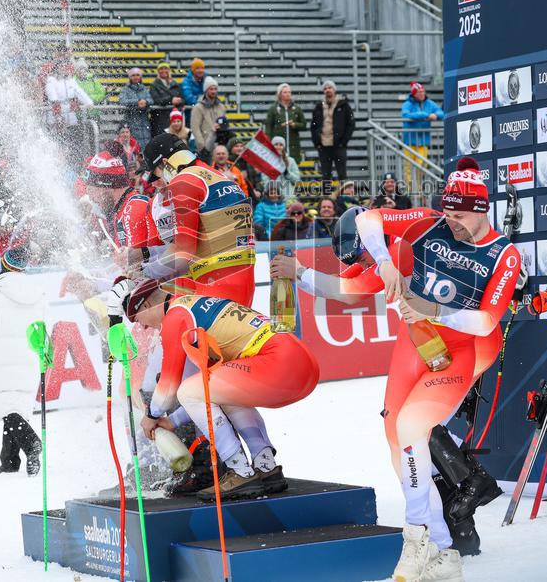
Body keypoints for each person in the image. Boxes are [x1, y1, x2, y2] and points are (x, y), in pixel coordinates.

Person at [359, 160, 518, 581]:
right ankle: (445, 547)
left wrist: (436, 310)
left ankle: (417, 538)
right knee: (398, 438)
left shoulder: (503, 253)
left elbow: (485, 320)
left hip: (463, 351)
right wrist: (385, 262)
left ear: (482, 209)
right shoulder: (432, 223)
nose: (452, 223)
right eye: (447, 214)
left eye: (460, 216)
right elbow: (367, 218)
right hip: (418, 344)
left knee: (415, 428)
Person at [110, 280, 319, 500]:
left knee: (186, 391)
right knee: (222, 391)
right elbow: (210, 393)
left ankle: (239, 470)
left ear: (145, 306)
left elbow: (169, 389)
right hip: (302, 362)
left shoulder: (174, 318)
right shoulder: (192, 303)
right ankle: (265, 466)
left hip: (280, 363)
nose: (143, 327)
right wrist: (172, 422)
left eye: (138, 319)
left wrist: (151, 416)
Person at [135, 134, 256, 307]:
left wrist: (145, 273)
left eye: (156, 172)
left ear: (165, 163)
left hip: (214, 284)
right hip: (243, 280)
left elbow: (183, 253)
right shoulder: (216, 175)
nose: (160, 180)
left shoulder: (184, 180)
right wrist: (150, 254)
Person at [0, 248, 47, 475]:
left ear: (4, 265)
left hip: (2, 356)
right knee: (17, 407)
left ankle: (31, 442)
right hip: (30, 354)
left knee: (6, 407)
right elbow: (45, 325)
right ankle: (9, 461)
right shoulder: (38, 291)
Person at [309, 80, 354, 189]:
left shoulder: (344, 106)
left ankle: (344, 198)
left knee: (342, 174)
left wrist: (343, 142)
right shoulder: (318, 107)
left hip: (338, 146)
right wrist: (317, 143)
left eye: (330, 88)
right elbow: (313, 126)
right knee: (325, 175)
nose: (328, 90)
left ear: (334, 90)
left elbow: (351, 124)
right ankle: (327, 198)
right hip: (324, 146)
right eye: (325, 88)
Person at [265, 83, 305, 163]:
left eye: (289, 92)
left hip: (293, 144)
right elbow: (268, 127)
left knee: (293, 167)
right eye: (285, 92)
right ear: (280, 94)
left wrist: (295, 125)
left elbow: (304, 125)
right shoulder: (273, 109)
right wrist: (269, 142)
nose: (288, 94)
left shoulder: (297, 108)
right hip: (278, 145)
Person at [190, 76, 225, 161]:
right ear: (206, 90)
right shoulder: (198, 107)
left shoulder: (221, 107)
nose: (213, 91)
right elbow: (195, 128)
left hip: (218, 146)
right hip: (205, 147)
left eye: (215, 89)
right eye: (211, 89)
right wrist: (202, 146)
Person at [258, 135, 301, 201]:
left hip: (288, 197)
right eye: (276, 144)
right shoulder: (267, 161)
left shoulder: (291, 161)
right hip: (273, 197)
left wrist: (287, 173)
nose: (278, 147)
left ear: (284, 147)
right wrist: (273, 192)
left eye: (281, 145)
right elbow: (265, 180)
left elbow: (296, 179)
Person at [119, 67, 153, 150]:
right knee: (134, 146)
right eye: (133, 75)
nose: (135, 77)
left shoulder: (144, 89)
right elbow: (122, 101)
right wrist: (137, 102)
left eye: (137, 75)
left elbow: (151, 100)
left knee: (146, 145)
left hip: (144, 122)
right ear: (130, 77)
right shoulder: (125, 90)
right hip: (131, 121)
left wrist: (146, 102)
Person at [149, 62, 183, 135]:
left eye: (166, 68)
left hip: (174, 119)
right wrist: (171, 100)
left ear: (169, 70)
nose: (163, 70)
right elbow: (156, 100)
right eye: (161, 69)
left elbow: (182, 99)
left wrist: (180, 101)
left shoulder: (175, 84)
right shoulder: (154, 85)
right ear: (158, 71)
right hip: (160, 120)